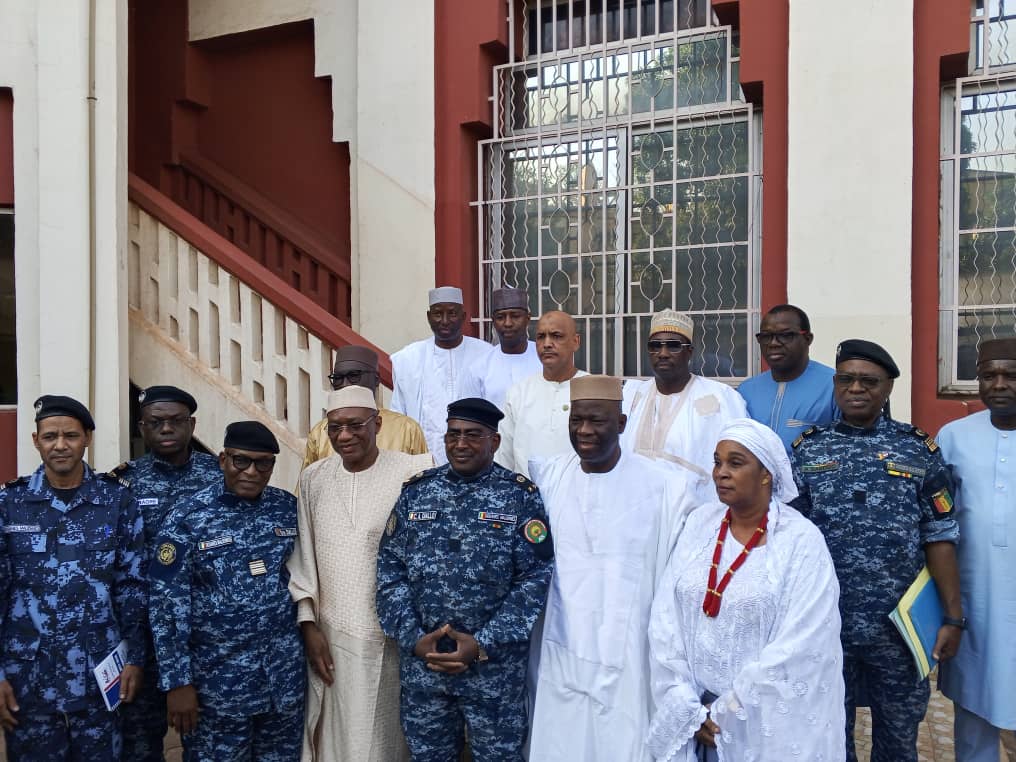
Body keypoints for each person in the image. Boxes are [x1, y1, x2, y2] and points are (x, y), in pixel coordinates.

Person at [791, 339, 963, 762]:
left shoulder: (917, 449)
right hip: (826, 623)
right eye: (846, 379)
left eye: (869, 381)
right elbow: (788, 539)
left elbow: (940, 534)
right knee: (829, 740)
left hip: (899, 629)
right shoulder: (808, 449)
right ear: (835, 385)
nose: (856, 388)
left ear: (888, 387)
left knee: (898, 744)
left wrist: (953, 617)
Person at [646, 418, 845, 761]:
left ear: (766, 474)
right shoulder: (700, 524)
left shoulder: (800, 541)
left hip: (759, 724)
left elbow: (802, 642)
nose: (721, 473)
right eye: (717, 462)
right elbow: (666, 616)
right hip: (692, 715)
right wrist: (684, 703)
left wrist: (727, 712)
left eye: (735, 463)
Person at [527, 375, 695, 762]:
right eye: (577, 420)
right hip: (562, 647)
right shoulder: (549, 478)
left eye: (597, 420)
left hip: (630, 650)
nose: (584, 430)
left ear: (621, 423)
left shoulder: (664, 486)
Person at [376, 398, 554, 761]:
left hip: (493, 672)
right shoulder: (417, 492)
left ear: (495, 441)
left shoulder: (519, 497)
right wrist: (414, 638)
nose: (460, 444)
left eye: (473, 435)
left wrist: (482, 643)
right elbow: (390, 569)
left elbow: (535, 578)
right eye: (453, 434)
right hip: (426, 669)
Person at [288, 386, 432, 760]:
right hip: (329, 635)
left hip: (390, 636)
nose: (344, 436)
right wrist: (308, 625)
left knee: (382, 740)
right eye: (335, 427)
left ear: (377, 424)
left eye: (355, 425)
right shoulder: (314, 478)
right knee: (334, 739)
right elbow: (304, 555)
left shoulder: (412, 472)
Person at [0, 395, 146, 760]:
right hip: (28, 676)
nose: (60, 445)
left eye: (71, 435)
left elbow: (132, 586)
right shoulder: (9, 504)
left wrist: (136, 657)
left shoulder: (117, 501)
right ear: (36, 441)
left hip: (100, 673)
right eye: (50, 436)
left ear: (87, 439)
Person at [149, 421, 304, 761]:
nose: (251, 471)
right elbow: (166, 604)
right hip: (218, 688)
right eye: (241, 461)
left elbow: (305, 578)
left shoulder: (287, 509)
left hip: (282, 682)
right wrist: (177, 682)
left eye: (263, 463)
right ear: (223, 460)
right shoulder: (188, 517)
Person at [118, 385, 221, 762]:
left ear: (192, 424)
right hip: (142, 635)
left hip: (203, 635)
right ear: (141, 428)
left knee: (205, 740)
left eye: (175, 421)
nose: (165, 428)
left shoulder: (218, 476)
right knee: (138, 743)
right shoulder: (123, 484)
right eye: (155, 422)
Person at [938, 337, 1016, 761]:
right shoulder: (954, 437)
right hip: (974, 599)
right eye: (989, 375)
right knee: (974, 702)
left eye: (1011, 375)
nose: (999, 384)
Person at [620, 309, 747, 503]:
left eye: (673, 346)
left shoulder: (720, 397)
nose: (663, 353)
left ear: (690, 352)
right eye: (655, 346)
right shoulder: (632, 395)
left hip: (697, 510)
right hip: (635, 507)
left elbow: (740, 459)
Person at [390, 286, 493, 465]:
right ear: (428, 317)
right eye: (438, 314)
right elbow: (399, 417)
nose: (445, 321)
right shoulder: (408, 359)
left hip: (476, 461)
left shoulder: (485, 354)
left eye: (452, 313)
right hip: (423, 461)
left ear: (463, 316)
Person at [302, 345, 428, 470]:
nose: (345, 385)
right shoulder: (319, 433)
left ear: (376, 380)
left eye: (354, 376)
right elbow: (308, 481)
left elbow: (425, 479)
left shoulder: (407, 428)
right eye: (338, 378)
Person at [496, 310, 588, 476]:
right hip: (527, 490)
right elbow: (504, 458)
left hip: (579, 490)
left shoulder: (592, 390)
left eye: (556, 336)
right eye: (540, 337)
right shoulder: (518, 393)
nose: (547, 344)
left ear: (575, 342)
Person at [737, 304, 838, 451]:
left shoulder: (834, 386)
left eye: (785, 335)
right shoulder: (746, 390)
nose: (773, 343)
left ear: (808, 339)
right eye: (766, 336)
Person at [461, 287, 542, 409]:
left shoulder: (544, 360)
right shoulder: (479, 368)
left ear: (527, 318)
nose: (508, 323)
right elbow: (472, 414)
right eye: (500, 317)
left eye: (515, 316)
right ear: (493, 321)